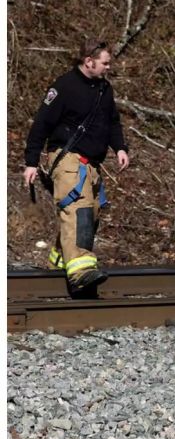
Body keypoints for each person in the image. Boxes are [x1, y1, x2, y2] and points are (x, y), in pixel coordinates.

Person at [23, 39, 130, 296]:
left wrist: (120, 148)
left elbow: (113, 122)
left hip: (92, 165)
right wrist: (31, 162)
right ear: (89, 61)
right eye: (105, 63)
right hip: (69, 159)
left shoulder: (105, 90)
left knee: (89, 215)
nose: (108, 67)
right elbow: (41, 125)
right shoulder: (64, 87)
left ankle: (58, 263)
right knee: (79, 210)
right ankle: (81, 272)